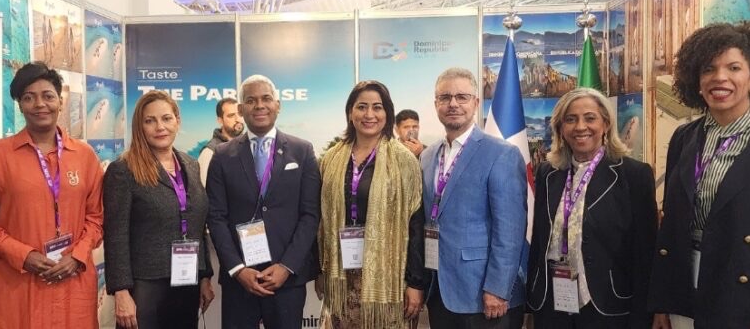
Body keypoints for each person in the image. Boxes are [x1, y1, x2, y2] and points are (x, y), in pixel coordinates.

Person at [0, 62, 104, 328]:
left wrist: (77, 256)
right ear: (20, 106)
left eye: (48, 96)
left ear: (60, 101)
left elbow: (97, 217)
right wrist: (23, 255)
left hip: (72, 284)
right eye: (29, 98)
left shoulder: (85, 156)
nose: (40, 104)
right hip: (15, 287)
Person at [649, 22, 750, 329]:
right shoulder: (684, 137)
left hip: (740, 293)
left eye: (733, 67)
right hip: (684, 287)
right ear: (696, 80)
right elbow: (671, 224)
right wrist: (662, 301)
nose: (720, 77)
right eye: (709, 69)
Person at [526, 88, 656, 328]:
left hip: (608, 304)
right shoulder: (547, 173)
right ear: (560, 128)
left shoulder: (634, 175)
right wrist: (532, 301)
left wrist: (644, 315)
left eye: (590, 118)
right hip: (553, 303)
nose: (580, 127)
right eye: (570, 119)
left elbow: (644, 253)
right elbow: (539, 240)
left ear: (605, 124)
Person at [206, 74, 320, 329]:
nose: (259, 105)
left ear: (278, 105)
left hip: (286, 280)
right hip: (240, 280)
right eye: (251, 100)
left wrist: (287, 266)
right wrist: (237, 269)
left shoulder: (302, 151)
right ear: (240, 109)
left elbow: (310, 214)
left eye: (266, 98)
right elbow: (216, 216)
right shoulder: (222, 156)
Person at [420, 67, 527, 329]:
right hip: (439, 289)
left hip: (484, 295)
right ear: (436, 104)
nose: (453, 104)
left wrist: (498, 288)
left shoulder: (502, 154)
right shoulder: (427, 156)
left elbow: (510, 230)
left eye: (462, 97)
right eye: (445, 97)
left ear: (476, 102)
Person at [316, 80, 424, 328]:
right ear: (350, 112)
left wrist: (416, 282)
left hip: (390, 278)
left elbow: (415, 224)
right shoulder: (331, 159)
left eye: (377, 107)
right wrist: (320, 271)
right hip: (342, 274)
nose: (369, 114)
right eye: (361, 107)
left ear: (387, 113)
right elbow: (320, 219)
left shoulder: (404, 161)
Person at [103, 90, 215, 329]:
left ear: (177, 121)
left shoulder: (191, 165)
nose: (160, 127)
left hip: (187, 280)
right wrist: (121, 291)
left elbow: (197, 224)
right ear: (139, 126)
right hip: (145, 286)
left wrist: (205, 275)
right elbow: (115, 235)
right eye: (150, 120)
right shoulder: (123, 170)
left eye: (166, 118)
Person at [197, 97, 245, 186]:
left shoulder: (250, 146)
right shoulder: (209, 153)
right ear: (220, 120)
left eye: (240, 114)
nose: (238, 119)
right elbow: (202, 191)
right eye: (231, 115)